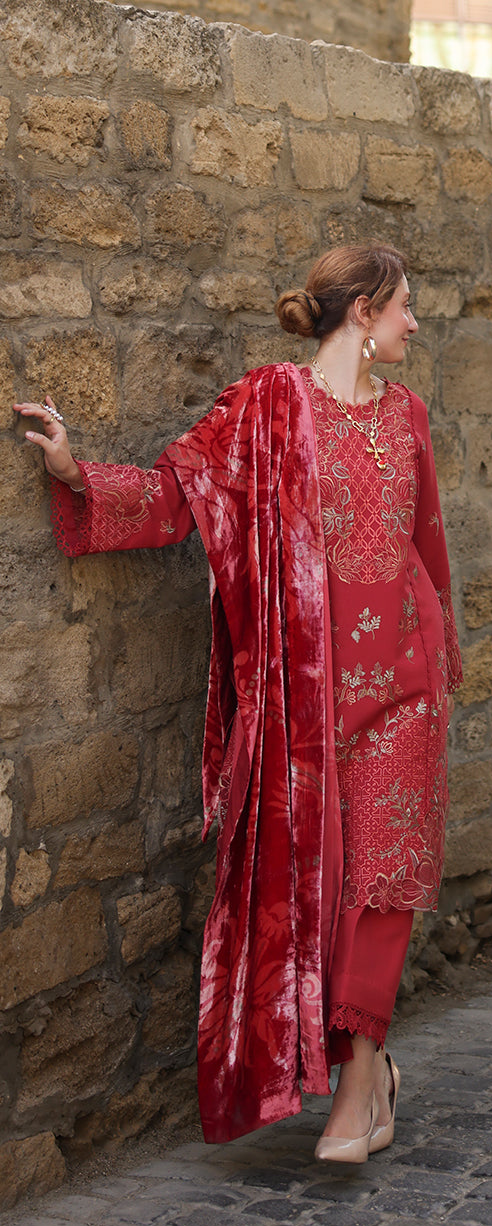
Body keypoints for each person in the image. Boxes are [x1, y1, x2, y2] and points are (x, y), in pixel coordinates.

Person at [15, 243, 462, 1162]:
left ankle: (356, 1091)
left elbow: (428, 544)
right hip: (309, 702)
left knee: (382, 882)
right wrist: (73, 472)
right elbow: (180, 497)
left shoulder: (409, 414)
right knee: (326, 889)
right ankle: (372, 1074)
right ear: (364, 313)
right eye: (405, 306)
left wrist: (442, 658)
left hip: (406, 689)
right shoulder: (268, 406)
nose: (415, 323)